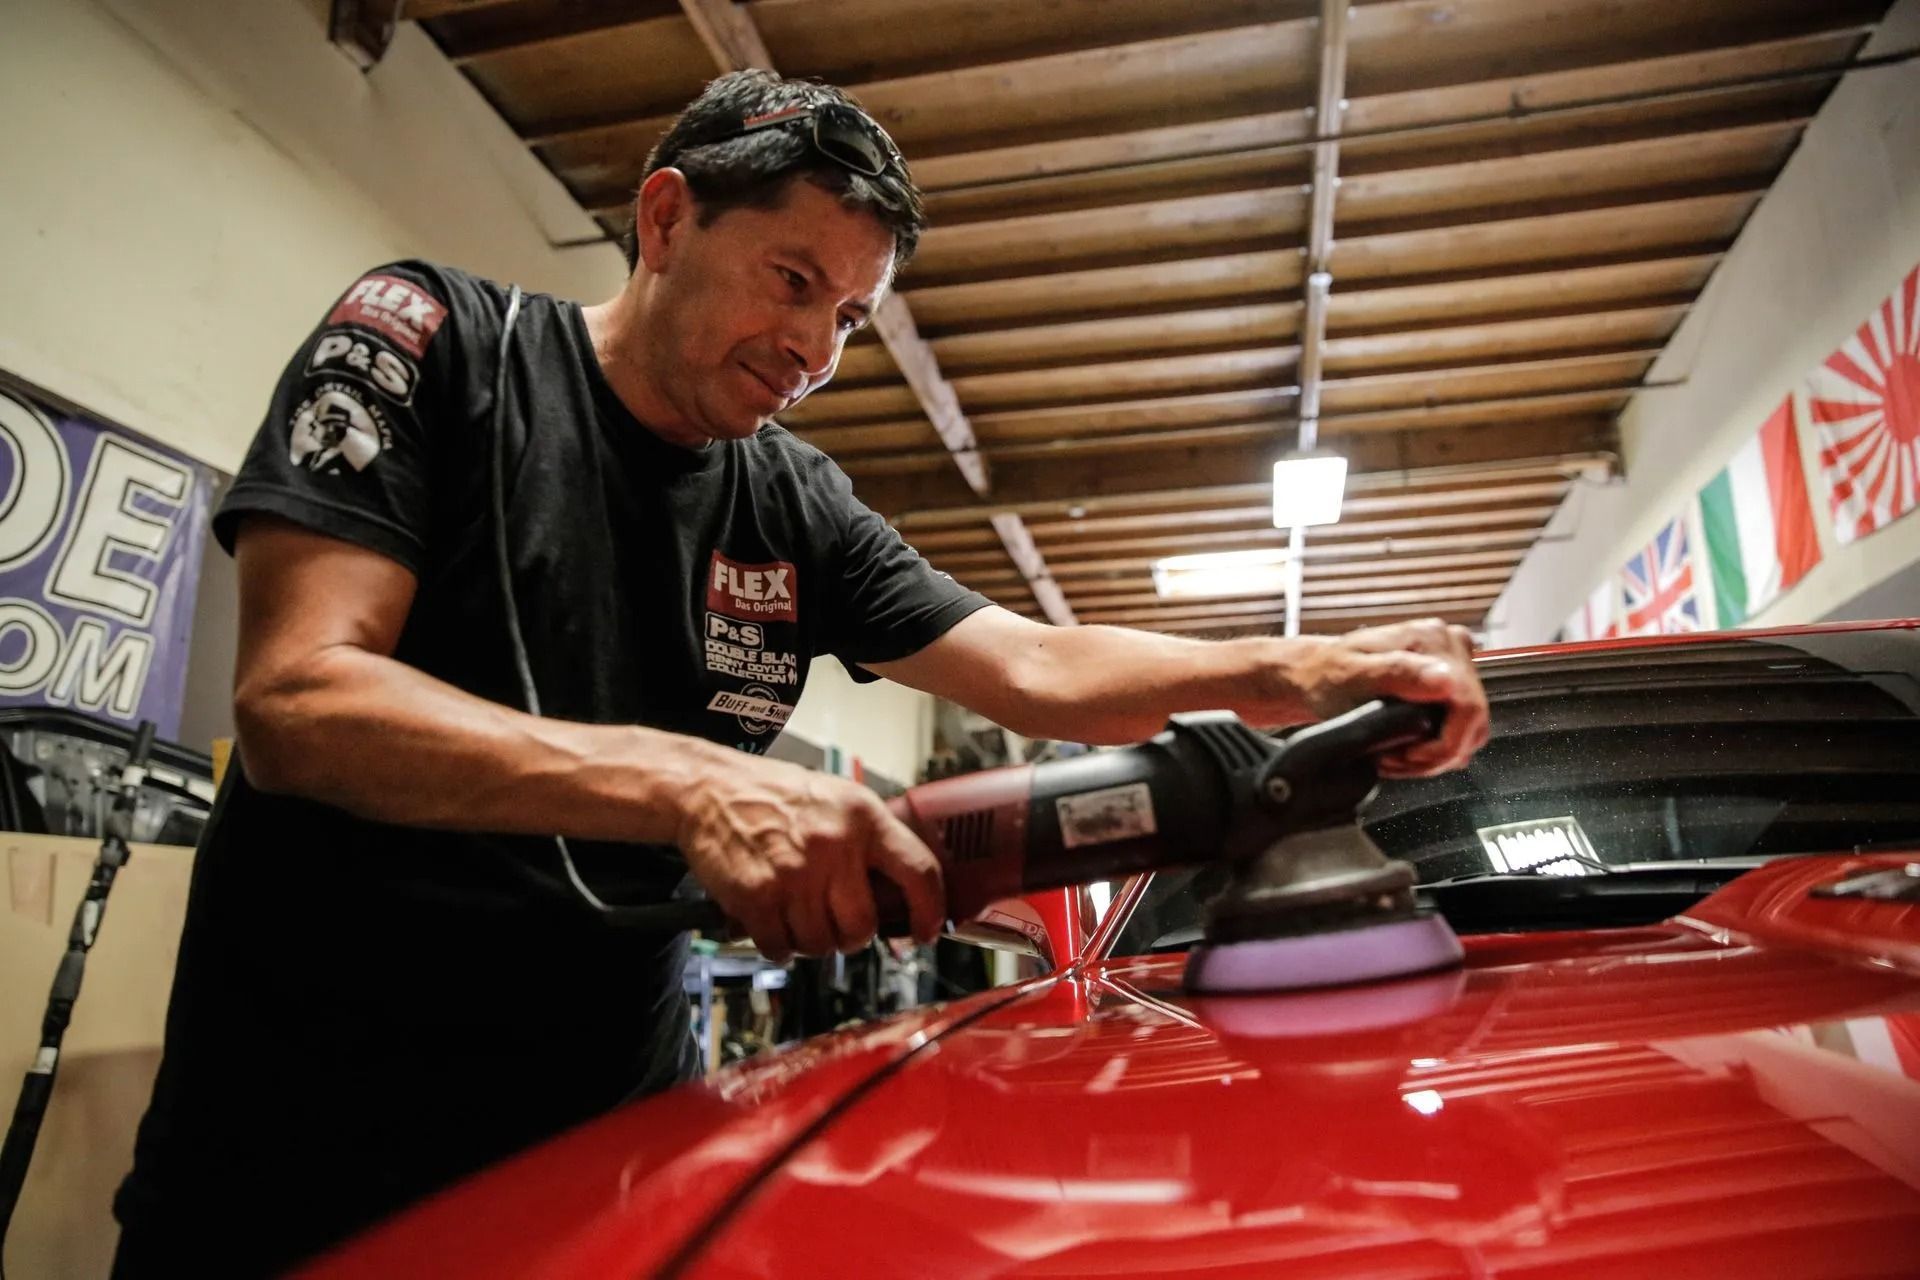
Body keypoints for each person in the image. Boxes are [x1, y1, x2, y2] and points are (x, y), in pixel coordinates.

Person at [111, 69, 1490, 1276]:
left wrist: (1308, 664)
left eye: (849, 316)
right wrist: (691, 784)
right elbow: (298, 702)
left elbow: (1036, 659)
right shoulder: (435, 344)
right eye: (792, 282)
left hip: (617, 1158)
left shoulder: (794, 502)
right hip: (302, 1156)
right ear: (664, 220)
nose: (816, 351)